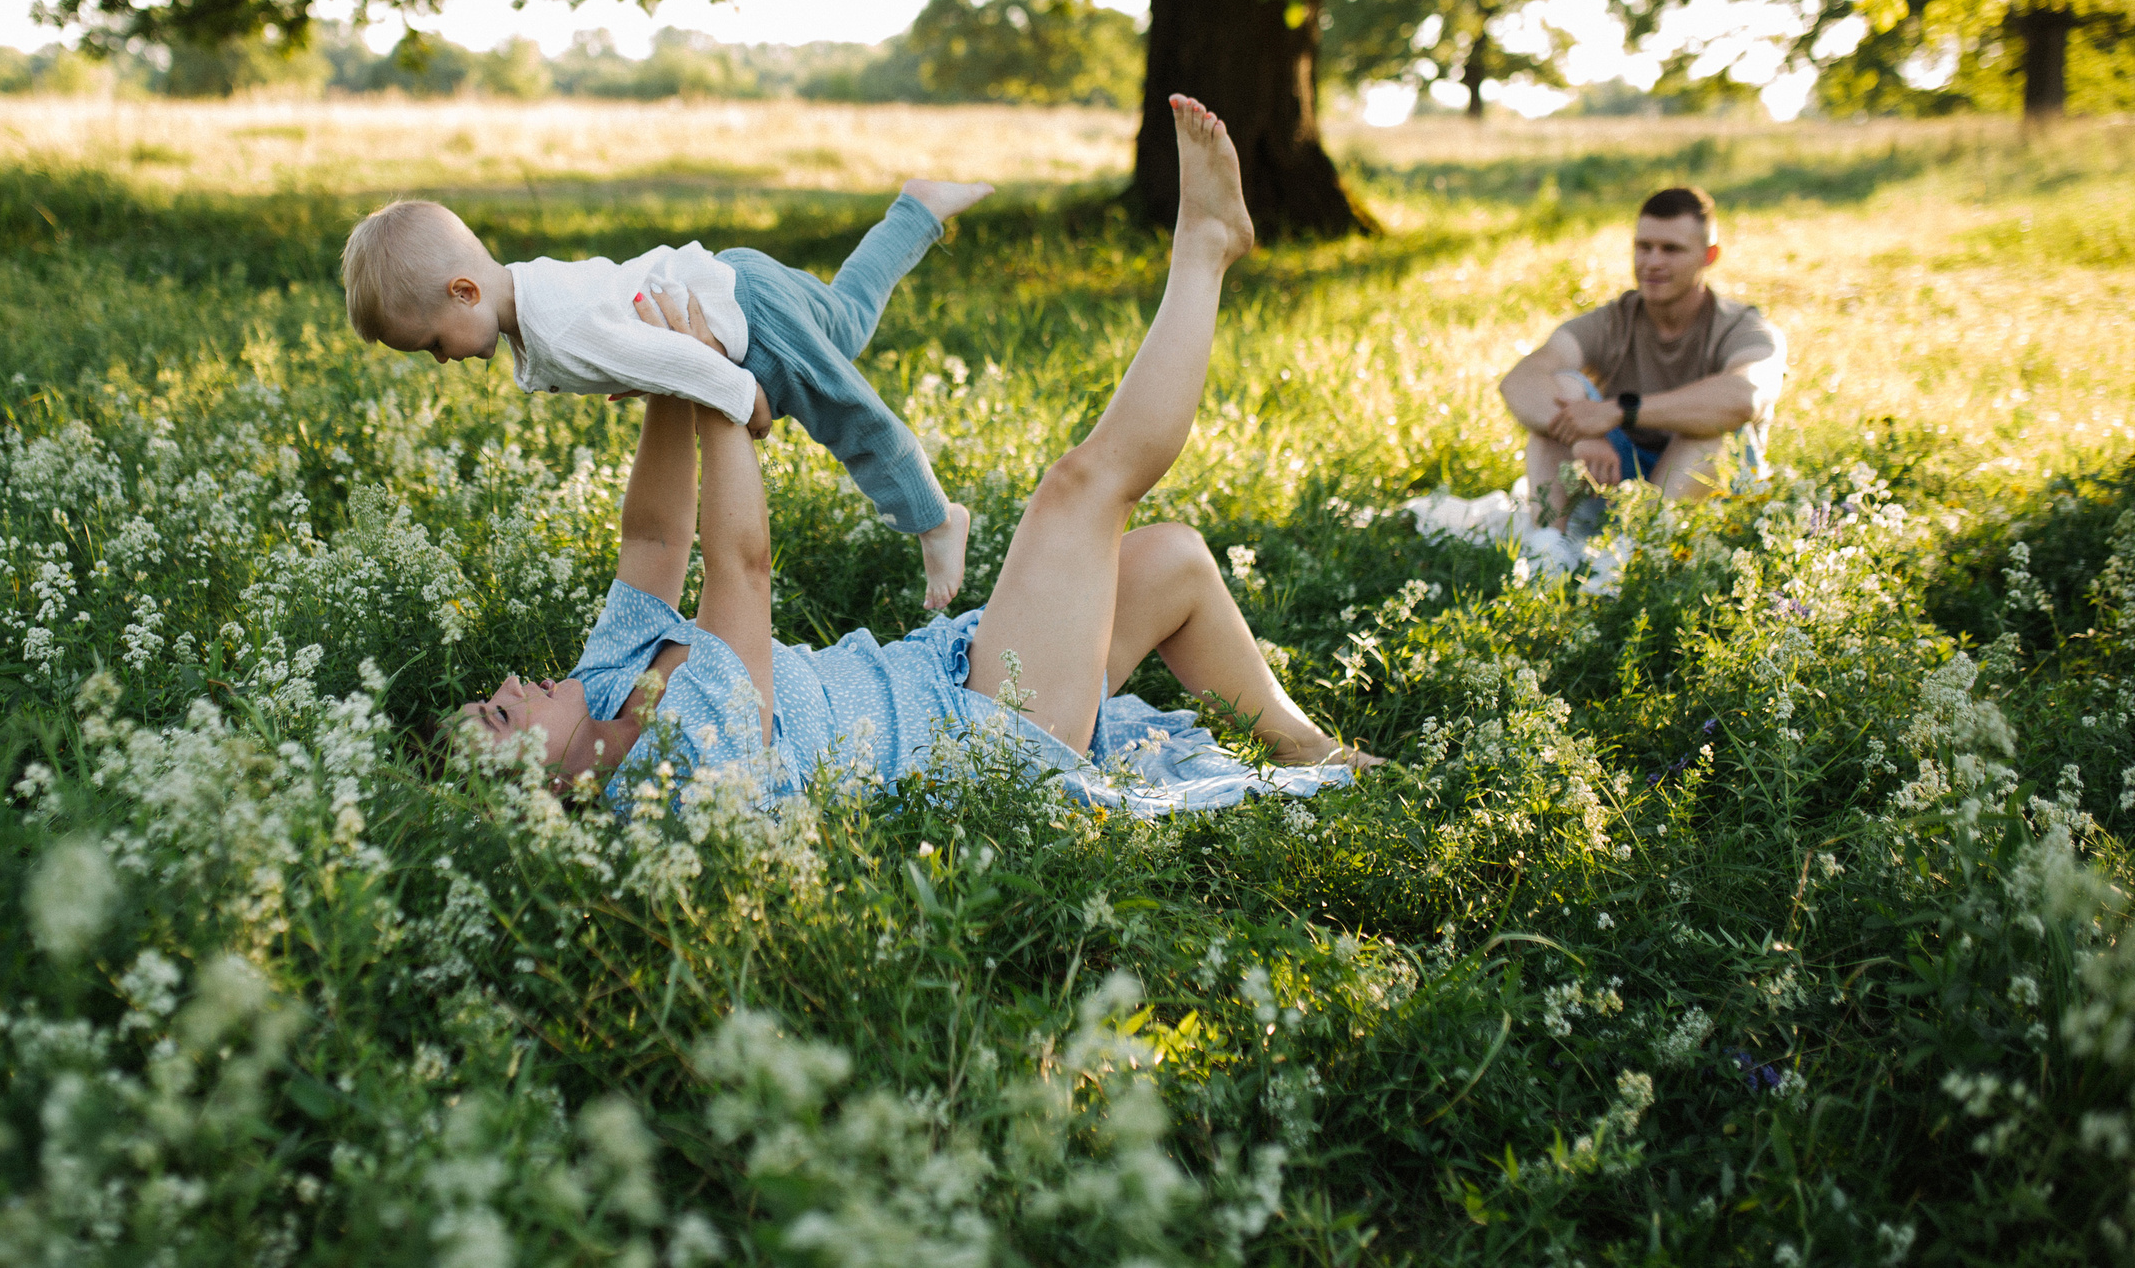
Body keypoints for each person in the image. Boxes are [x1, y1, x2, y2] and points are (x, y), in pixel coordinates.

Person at [458, 97, 1380, 810]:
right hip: (990, 739)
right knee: (1081, 491)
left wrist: (666, 365)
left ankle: (1317, 750)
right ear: (553, 791)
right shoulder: (685, 770)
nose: (508, 685)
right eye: (503, 714)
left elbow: (654, 542)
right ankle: (1208, 248)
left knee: (1169, 559)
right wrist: (717, 390)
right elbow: (739, 569)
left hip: (948, 671)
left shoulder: (603, 679)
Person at [343, 181, 993, 609]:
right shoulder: (531, 295)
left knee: (852, 417)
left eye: (432, 342)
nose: (442, 358)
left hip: (751, 323)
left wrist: (750, 402)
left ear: (464, 291)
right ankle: (917, 209)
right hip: (734, 276)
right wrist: (637, 369)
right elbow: (618, 306)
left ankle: (935, 519)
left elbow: (685, 358)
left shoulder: (559, 327)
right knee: (847, 320)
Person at [1499, 186, 1787, 526]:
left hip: (1711, 493)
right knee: (1563, 388)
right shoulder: (1613, 320)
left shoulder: (1744, 329)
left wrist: (1621, 411)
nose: (1653, 262)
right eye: (1643, 247)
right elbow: (1520, 380)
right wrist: (1581, 433)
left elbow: (1745, 398)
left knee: (1710, 430)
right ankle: (1548, 552)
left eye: (1671, 249)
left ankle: (1639, 552)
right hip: (1618, 474)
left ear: (1709, 256)